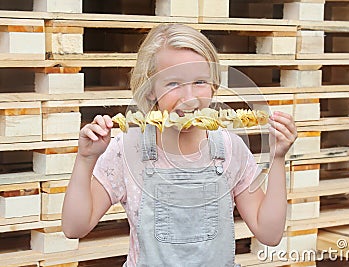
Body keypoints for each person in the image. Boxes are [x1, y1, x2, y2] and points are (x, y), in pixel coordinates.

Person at [62, 23, 297, 267]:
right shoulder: (127, 149)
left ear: (214, 85)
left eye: (200, 82)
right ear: (150, 89)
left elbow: (270, 234)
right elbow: (74, 227)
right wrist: (85, 159)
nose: (189, 98)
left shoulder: (230, 148)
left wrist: (278, 157)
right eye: (173, 83)